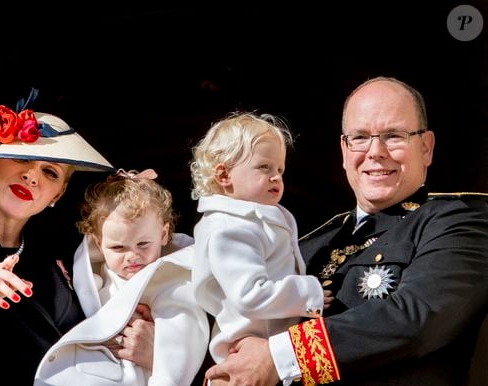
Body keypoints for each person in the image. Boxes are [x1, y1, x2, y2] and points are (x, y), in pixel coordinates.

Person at [204, 77, 488, 386]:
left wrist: (280, 355)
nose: (375, 151)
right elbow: (240, 321)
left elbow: (418, 320)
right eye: (361, 137)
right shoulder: (309, 245)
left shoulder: (460, 222)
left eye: (393, 136)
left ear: (426, 147)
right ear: (344, 149)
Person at [0, 90, 156, 385]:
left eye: (49, 172)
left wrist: (150, 350)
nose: (32, 177)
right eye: (22, 158)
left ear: (57, 194)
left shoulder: (65, 258)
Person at [34, 168, 210, 386]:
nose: (132, 256)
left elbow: (182, 339)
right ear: (99, 244)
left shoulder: (173, 280)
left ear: (163, 235)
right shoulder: (91, 275)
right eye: (118, 247)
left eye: (143, 244)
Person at [189, 112, 328, 369]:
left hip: (276, 346)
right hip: (248, 348)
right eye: (264, 167)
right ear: (224, 175)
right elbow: (250, 295)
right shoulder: (227, 228)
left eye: (280, 169)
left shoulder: (251, 219)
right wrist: (310, 294)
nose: (276, 176)